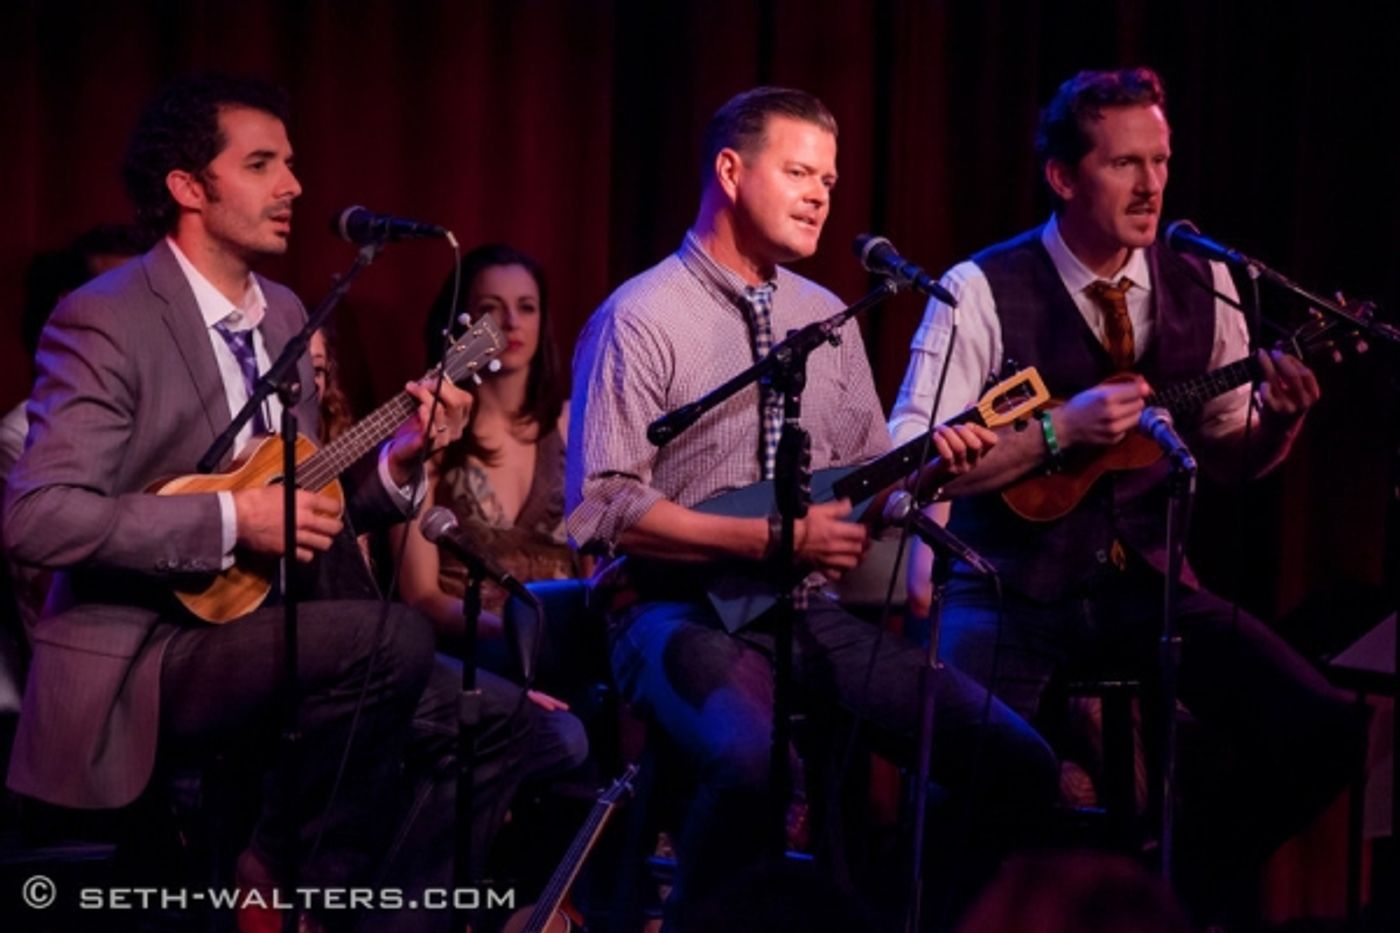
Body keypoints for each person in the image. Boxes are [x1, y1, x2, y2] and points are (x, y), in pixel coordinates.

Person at [567, 85, 1058, 923]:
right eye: (799, 172)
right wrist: (771, 537)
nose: (820, 196)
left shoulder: (825, 316)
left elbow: (871, 479)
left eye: (828, 180)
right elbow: (606, 507)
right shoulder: (641, 316)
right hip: (670, 611)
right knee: (752, 759)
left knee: (1012, 759)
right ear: (730, 170)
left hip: (802, 612)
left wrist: (927, 475)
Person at [888, 67, 1368, 920]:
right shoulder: (979, 289)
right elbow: (909, 467)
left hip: (1146, 581)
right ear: (1064, 176)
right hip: (1008, 585)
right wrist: (1055, 433)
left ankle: (1167, 896)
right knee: (960, 774)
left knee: (1323, 728)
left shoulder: (1203, 281)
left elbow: (1226, 450)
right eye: (1123, 165)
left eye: (1160, 161)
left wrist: (1279, 425)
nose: (1151, 187)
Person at [2, 74, 472, 931]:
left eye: (290, 163)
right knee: (390, 635)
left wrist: (402, 460)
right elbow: (40, 516)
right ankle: (280, 874)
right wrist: (230, 519)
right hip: (147, 651)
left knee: (507, 727)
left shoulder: (284, 311)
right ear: (188, 188)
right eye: (261, 164)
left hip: (264, 628)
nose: (293, 186)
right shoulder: (103, 318)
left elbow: (301, 498)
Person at [390, 245, 588, 875]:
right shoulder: (430, 439)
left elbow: (598, 568)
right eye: (490, 309)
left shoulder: (574, 427)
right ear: (460, 326)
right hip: (472, 649)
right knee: (562, 737)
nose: (512, 324)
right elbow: (419, 595)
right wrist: (511, 633)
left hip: (568, 652)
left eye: (527, 307)